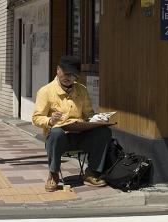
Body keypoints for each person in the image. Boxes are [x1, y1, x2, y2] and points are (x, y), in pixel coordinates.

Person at [32, 56, 112, 192]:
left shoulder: (81, 90)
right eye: (66, 73)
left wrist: (97, 119)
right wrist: (50, 120)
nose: (69, 77)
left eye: (73, 74)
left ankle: (91, 172)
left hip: (80, 135)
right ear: (58, 70)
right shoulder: (46, 91)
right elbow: (36, 118)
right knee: (56, 132)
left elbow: (88, 114)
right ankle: (53, 174)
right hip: (58, 139)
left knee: (103, 132)